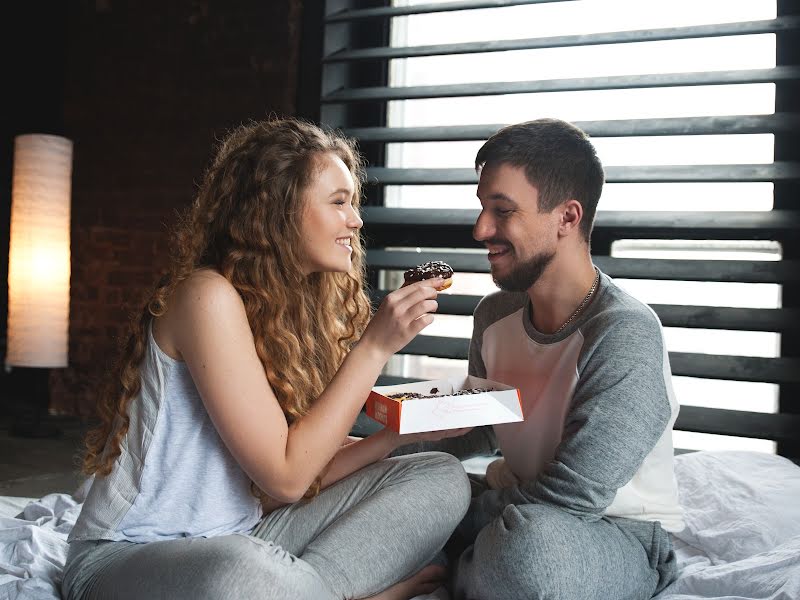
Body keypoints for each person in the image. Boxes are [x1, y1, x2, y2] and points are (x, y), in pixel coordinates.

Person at [60, 118, 472, 600]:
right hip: (128, 557)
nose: (355, 221)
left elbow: (280, 488)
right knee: (245, 573)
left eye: (353, 203)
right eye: (339, 202)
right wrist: (376, 346)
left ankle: (314, 590)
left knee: (439, 476)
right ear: (279, 208)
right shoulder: (205, 297)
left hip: (246, 533)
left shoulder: (292, 313)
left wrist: (394, 436)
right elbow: (288, 476)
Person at [396, 118, 684, 600]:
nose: (480, 229)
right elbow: (482, 425)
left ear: (567, 218)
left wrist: (457, 517)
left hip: (606, 532)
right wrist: (377, 461)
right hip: (514, 509)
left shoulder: (624, 331)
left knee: (531, 553)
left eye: (502, 211)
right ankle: (467, 564)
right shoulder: (494, 314)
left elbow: (575, 497)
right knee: (392, 496)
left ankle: (457, 566)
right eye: (483, 208)